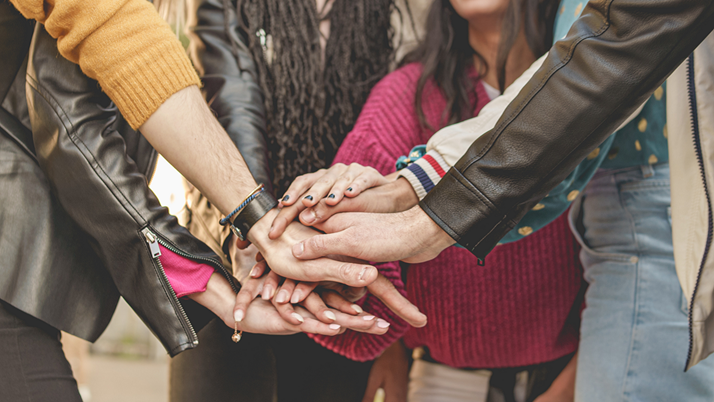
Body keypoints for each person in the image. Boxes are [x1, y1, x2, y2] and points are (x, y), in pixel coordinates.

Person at [286, 0, 714, 400]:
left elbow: (621, 263)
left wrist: (566, 390)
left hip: (572, 371)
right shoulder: (408, 95)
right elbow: (346, 240)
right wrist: (325, 259)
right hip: (446, 383)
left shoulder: (597, 105)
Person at [0, 0, 423, 399]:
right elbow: (76, 107)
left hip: (317, 275)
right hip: (238, 251)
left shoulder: (398, 22)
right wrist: (254, 231)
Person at [167, 0, 422, 400]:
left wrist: (393, 342)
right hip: (235, 263)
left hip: (340, 279)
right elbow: (233, 98)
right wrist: (260, 233)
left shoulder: (396, 13)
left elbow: (394, 143)